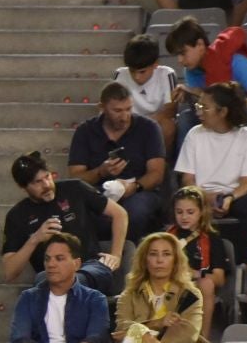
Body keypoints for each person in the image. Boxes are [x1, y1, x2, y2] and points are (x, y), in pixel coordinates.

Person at [0, 152, 126, 295]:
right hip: (51, 275)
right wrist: (35, 239)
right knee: (44, 280)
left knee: (64, 282)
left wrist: (116, 255)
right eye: (37, 182)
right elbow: (10, 272)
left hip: (91, 267)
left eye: (47, 177)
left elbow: (120, 214)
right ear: (23, 187)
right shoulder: (17, 215)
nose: (47, 185)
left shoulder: (75, 188)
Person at [67, 84, 170, 244]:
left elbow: (156, 173)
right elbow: (76, 177)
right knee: (81, 212)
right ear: (102, 108)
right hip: (99, 191)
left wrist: (134, 187)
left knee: (135, 210)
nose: (125, 116)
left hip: (139, 190)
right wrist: (100, 172)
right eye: (117, 111)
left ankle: (128, 251)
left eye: (128, 109)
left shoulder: (148, 128)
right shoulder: (85, 131)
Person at [169, 17, 247, 139]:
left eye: (183, 53)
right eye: (177, 55)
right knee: (186, 118)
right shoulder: (190, 72)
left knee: (242, 112)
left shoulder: (237, 63)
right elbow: (208, 108)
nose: (179, 60)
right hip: (220, 118)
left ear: (200, 45)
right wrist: (191, 96)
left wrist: (234, 101)